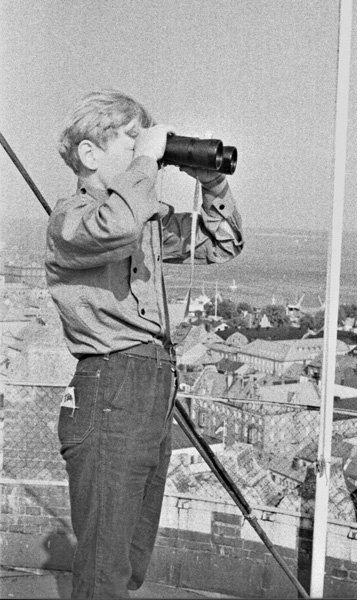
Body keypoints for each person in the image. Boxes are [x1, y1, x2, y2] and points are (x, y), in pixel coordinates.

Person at [45, 89, 243, 599]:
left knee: (130, 560)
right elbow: (118, 226)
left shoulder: (142, 222)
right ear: (90, 154)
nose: (147, 150)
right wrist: (147, 162)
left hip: (151, 387)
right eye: (132, 141)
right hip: (110, 384)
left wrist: (213, 183)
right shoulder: (72, 221)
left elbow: (221, 244)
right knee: (104, 567)